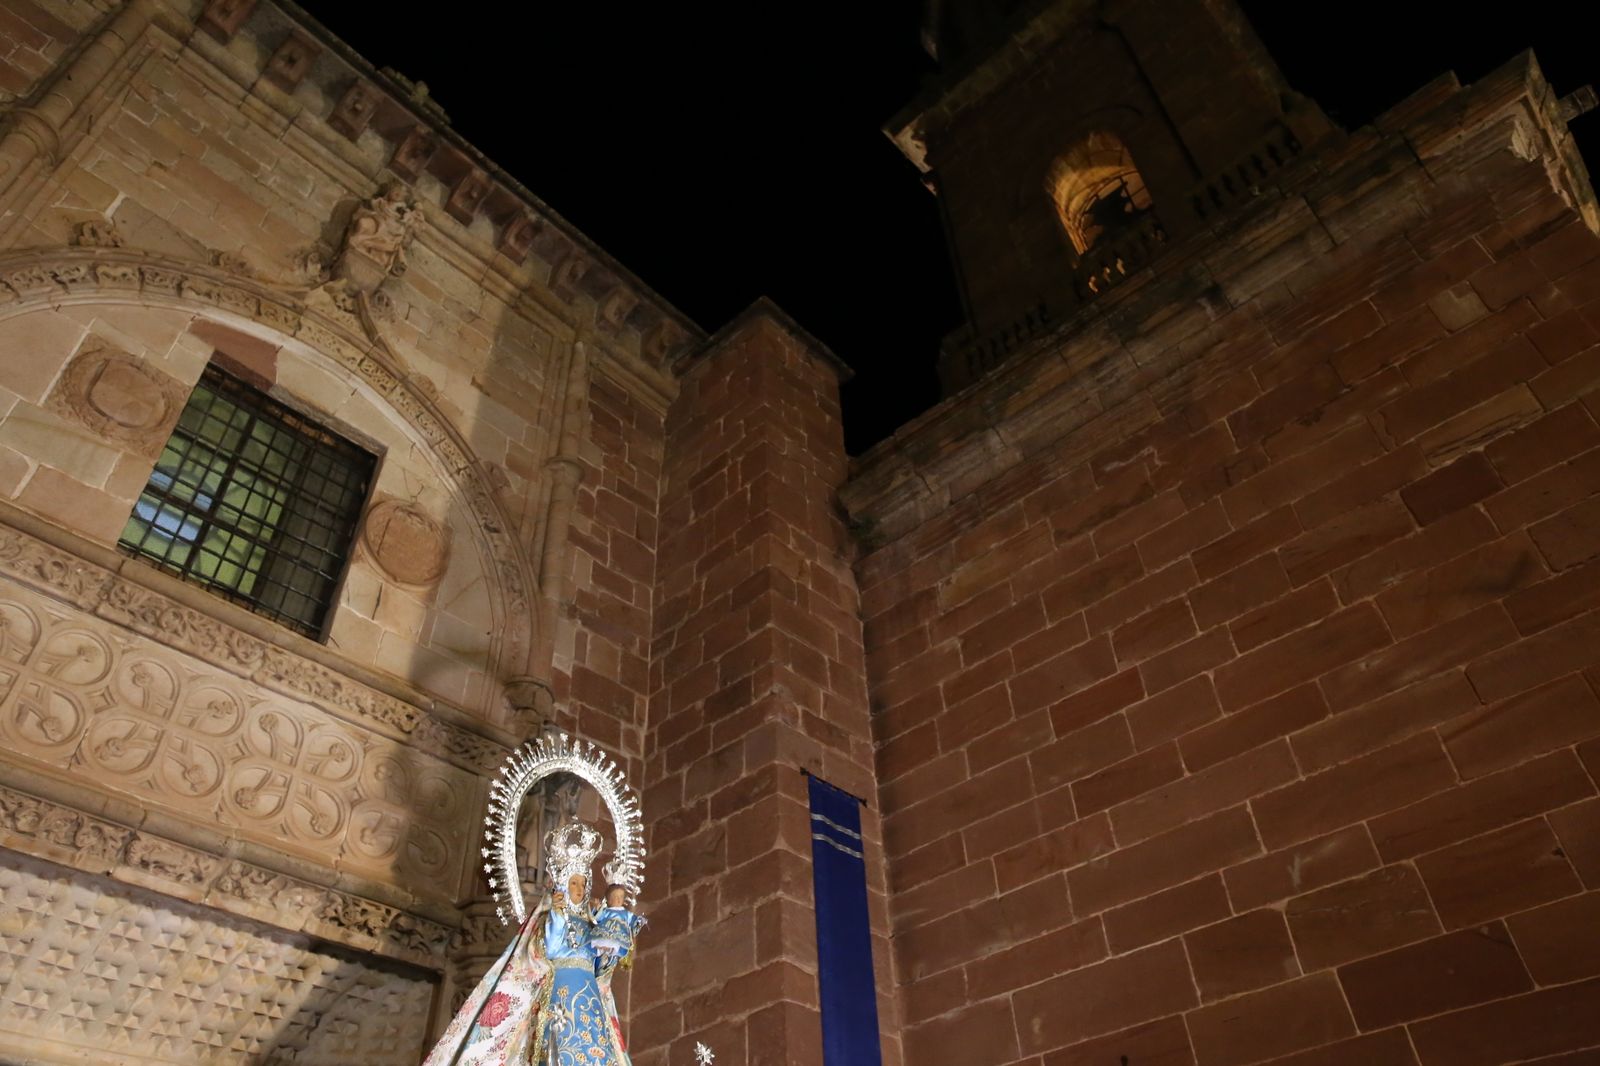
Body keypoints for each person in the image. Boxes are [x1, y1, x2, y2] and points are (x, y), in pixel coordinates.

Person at [421, 822, 644, 1065]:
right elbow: (551, 948)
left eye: (583, 884)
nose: (579, 889)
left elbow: (601, 967)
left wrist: (611, 944)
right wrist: (558, 914)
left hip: (589, 999)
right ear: (562, 884)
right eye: (573, 883)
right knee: (559, 1050)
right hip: (562, 993)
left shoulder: (592, 923)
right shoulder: (551, 917)